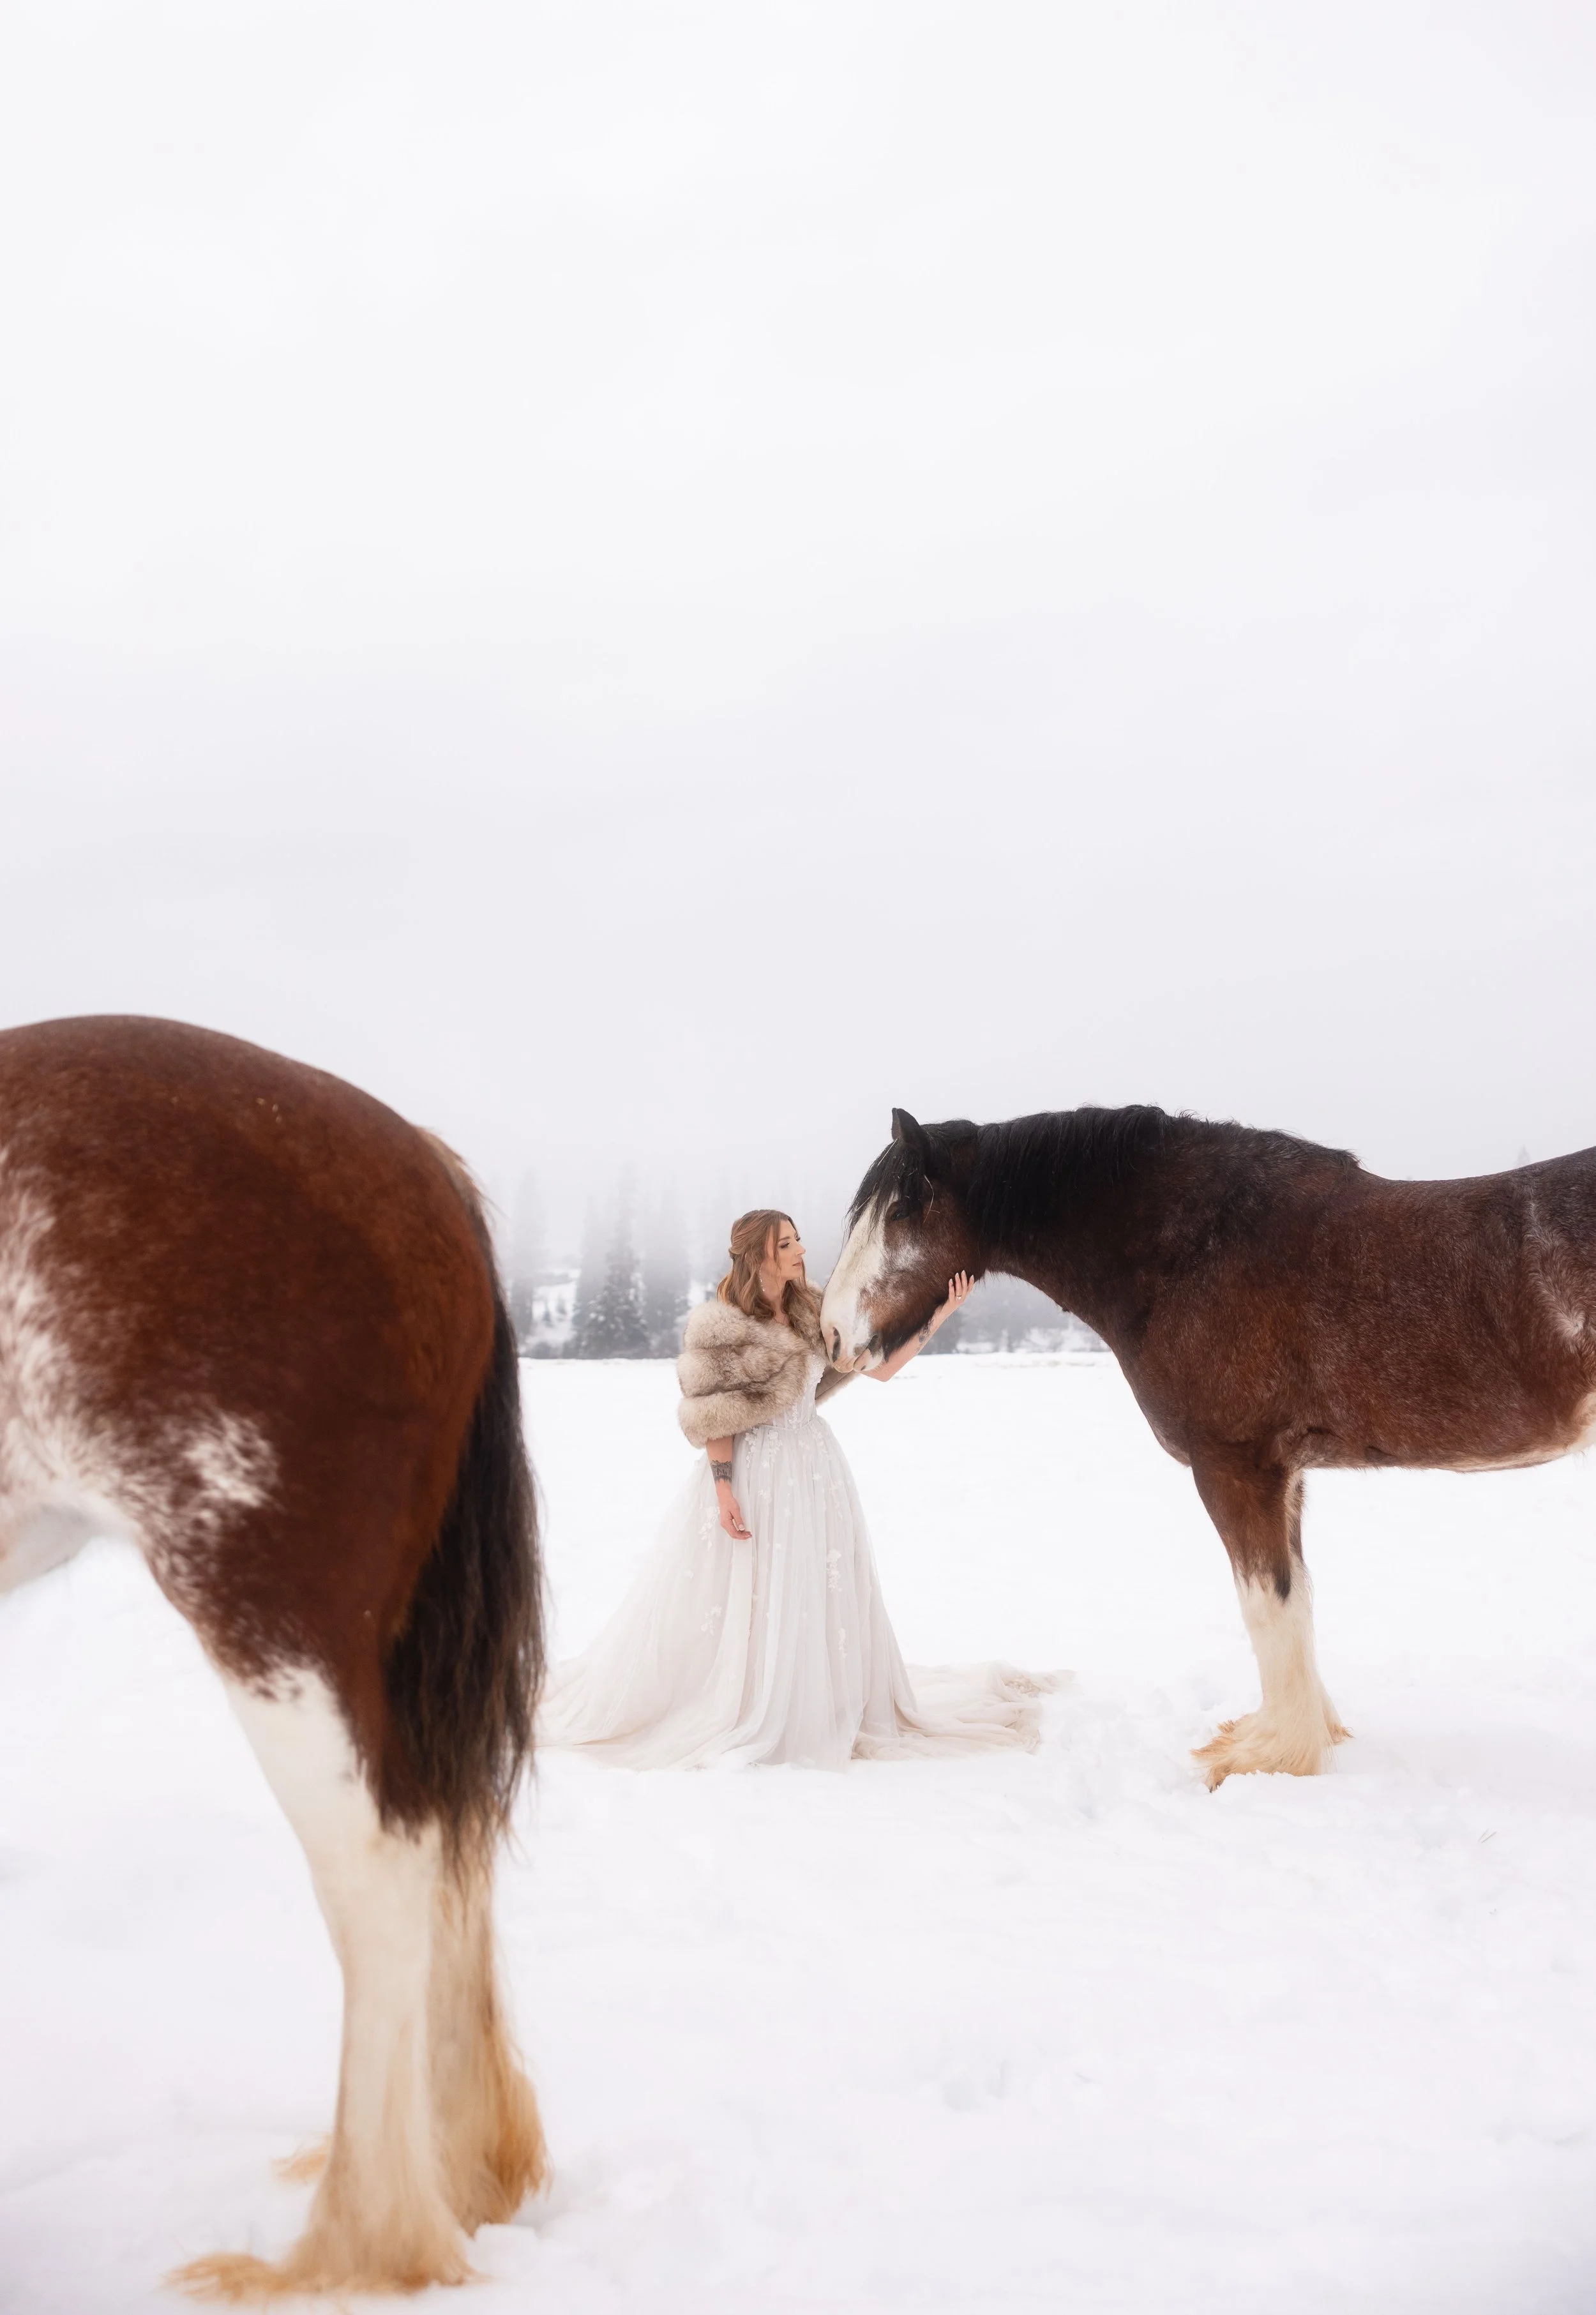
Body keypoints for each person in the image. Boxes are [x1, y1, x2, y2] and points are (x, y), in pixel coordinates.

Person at [539, 1209, 1051, 1769]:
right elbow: (716, 1416)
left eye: (798, 1239)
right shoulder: (721, 1326)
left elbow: (876, 1369)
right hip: (756, 1472)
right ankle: (750, 1702)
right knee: (751, 1597)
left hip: (815, 1470)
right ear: (760, 1255)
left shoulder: (814, 1309)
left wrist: (940, 1314)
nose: (801, 1250)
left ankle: (818, 1701)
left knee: (814, 1589)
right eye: (787, 1243)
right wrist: (725, 1488)